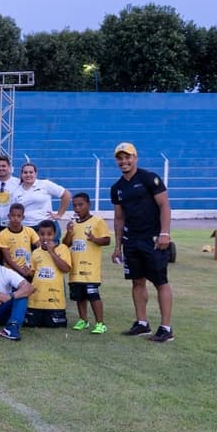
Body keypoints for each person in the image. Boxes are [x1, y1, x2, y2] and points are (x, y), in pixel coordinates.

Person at [110, 142, 174, 343]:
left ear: (135, 158)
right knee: (137, 281)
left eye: (127, 157)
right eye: (120, 158)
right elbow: (119, 218)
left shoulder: (149, 178)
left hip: (153, 239)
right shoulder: (117, 188)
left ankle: (165, 328)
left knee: (160, 281)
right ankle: (142, 323)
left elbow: (164, 206)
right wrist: (117, 246)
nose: (124, 161)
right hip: (131, 241)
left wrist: (164, 233)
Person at [63, 192, 112, 334]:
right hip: (75, 269)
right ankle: (83, 320)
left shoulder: (97, 221)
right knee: (79, 296)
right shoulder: (73, 224)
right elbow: (66, 244)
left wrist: (94, 239)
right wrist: (68, 232)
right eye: (75, 206)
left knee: (93, 295)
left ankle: (100, 323)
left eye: (81, 205)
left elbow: (107, 240)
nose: (77, 208)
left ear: (88, 205)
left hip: (90, 270)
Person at [24, 219, 71, 329]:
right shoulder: (35, 252)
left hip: (55, 302)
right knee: (31, 325)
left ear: (55, 234)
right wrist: (28, 272)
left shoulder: (62, 248)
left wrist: (52, 252)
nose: (45, 237)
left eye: (49, 234)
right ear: (38, 235)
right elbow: (33, 273)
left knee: (54, 326)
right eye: (42, 234)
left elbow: (66, 269)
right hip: (35, 301)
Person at [12, 163, 71, 238]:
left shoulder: (45, 184)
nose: (28, 175)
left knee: (51, 249)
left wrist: (59, 214)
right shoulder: (16, 191)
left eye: (31, 172)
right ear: (21, 174)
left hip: (47, 226)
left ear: (36, 174)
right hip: (27, 228)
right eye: (25, 172)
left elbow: (66, 195)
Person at [0, 202, 38, 283]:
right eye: (13, 215)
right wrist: (21, 271)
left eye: (19, 216)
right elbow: (7, 259)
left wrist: (31, 268)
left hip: (28, 270)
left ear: (23, 217)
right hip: (11, 272)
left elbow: (40, 248)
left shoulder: (29, 231)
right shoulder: (3, 234)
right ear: (9, 216)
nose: (15, 218)